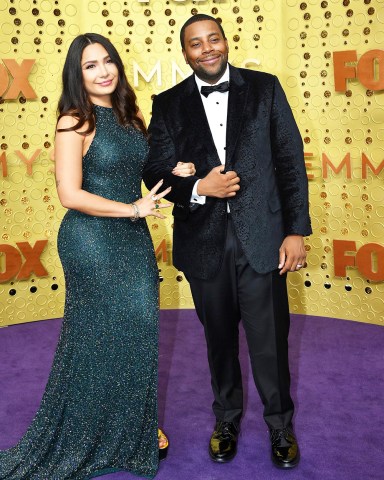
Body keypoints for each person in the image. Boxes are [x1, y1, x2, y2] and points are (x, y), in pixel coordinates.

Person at [0, 33, 195, 479]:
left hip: (131, 237)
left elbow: (136, 174)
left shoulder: (128, 115)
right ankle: (91, 432)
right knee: (95, 339)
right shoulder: (75, 120)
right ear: (77, 74)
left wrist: (173, 172)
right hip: (91, 242)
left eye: (108, 61)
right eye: (91, 65)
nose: (103, 71)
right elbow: (69, 194)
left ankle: (129, 428)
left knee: (136, 333)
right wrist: (132, 209)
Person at [143, 14, 312, 470]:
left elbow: (290, 163)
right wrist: (200, 189)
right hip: (204, 243)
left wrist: (295, 231)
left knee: (270, 341)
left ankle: (280, 425)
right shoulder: (168, 103)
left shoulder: (265, 88)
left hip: (264, 240)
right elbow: (155, 171)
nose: (207, 49)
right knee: (218, 341)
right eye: (195, 44)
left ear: (225, 41)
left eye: (212, 39)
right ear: (186, 53)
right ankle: (227, 421)